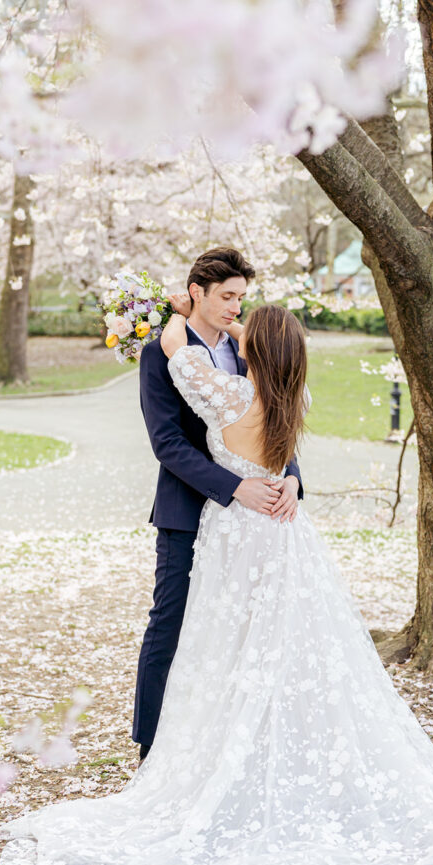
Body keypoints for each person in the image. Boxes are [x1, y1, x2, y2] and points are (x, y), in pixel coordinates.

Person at [0, 305, 433, 865]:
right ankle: (259, 745)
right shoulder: (289, 395)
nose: (237, 323)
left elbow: (177, 350)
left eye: (247, 325)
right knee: (283, 645)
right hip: (284, 535)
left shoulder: (226, 395)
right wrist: (251, 347)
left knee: (227, 647)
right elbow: (248, 373)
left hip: (236, 537)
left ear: (256, 351)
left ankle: (220, 753)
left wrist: (173, 313)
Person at [132, 247, 303, 762]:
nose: (235, 307)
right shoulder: (159, 354)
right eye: (226, 296)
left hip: (259, 520)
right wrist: (233, 487)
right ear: (196, 294)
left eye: (241, 297)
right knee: (172, 622)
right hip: (188, 512)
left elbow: (278, 418)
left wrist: (292, 478)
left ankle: (223, 750)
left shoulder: (247, 352)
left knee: (243, 631)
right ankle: (152, 749)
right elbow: (168, 443)